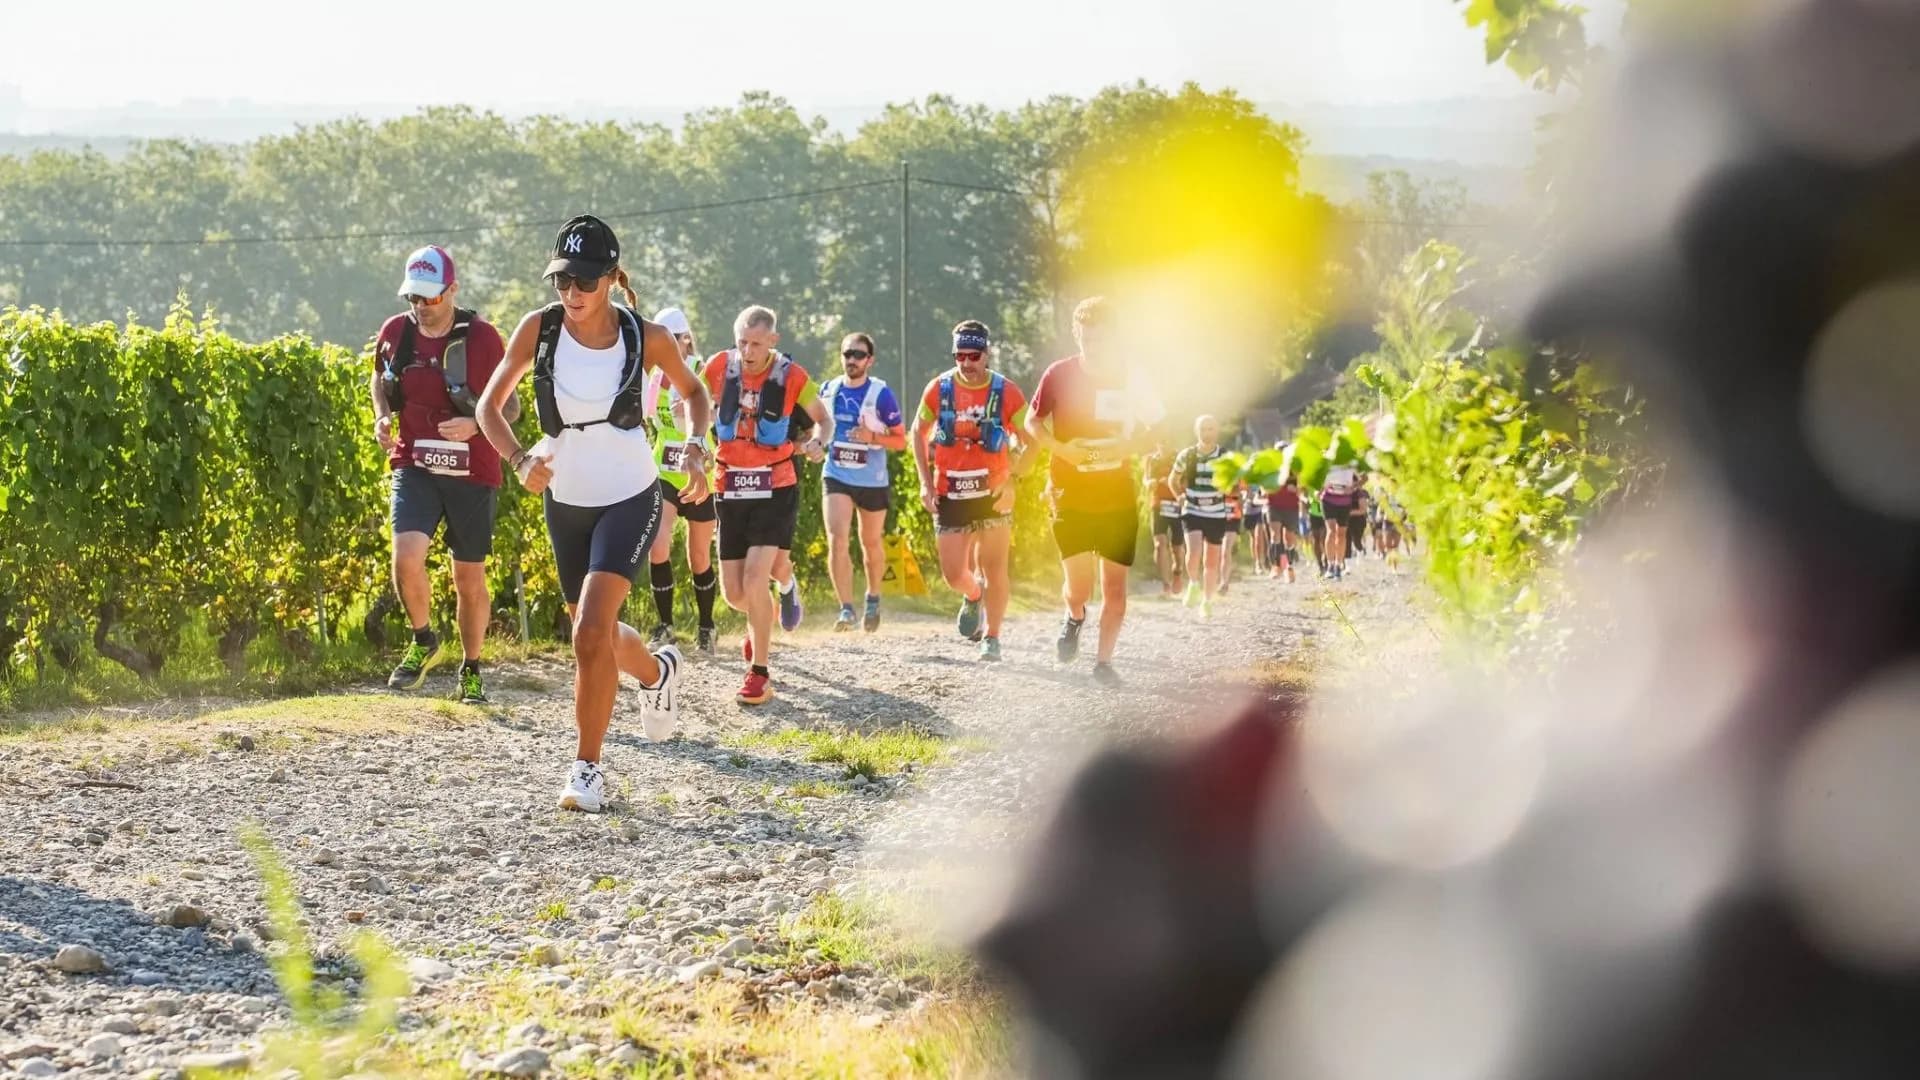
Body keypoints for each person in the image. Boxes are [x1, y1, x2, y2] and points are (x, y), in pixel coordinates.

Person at [476, 215, 708, 813]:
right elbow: (488, 407)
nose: (570, 294)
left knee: (586, 634)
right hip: (566, 500)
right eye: (561, 281)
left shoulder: (646, 336)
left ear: (609, 279)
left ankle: (588, 770)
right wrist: (520, 457)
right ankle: (657, 675)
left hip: (631, 494)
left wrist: (698, 441)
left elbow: (694, 394)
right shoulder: (539, 329)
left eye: (582, 282)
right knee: (596, 633)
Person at [370, 244, 508, 704]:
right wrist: (382, 416)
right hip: (415, 462)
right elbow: (380, 379)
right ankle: (424, 640)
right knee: (405, 556)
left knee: (467, 579)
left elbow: (511, 405)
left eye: (430, 298)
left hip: (473, 469)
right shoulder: (395, 332)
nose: (421, 308)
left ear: (452, 290)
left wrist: (474, 425)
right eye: (414, 298)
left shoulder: (484, 339)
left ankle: (471, 668)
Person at [1024, 297, 1162, 685]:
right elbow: (1033, 422)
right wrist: (1062, 449)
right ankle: (1075, 616)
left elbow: (1158, 427)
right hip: (1071, 492)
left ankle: (1103, 663)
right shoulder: (1059, 374)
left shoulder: (1132, 376)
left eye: (1101, 339)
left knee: (1115, 589)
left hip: (1117, 494)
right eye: (1087, 339)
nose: (1094, 346)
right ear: (1077, 335)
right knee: (1079, 587)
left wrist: (1127, 448)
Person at [701, 305, 829, 705]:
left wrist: (818, 443)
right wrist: (696, 442)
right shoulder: (720, 366)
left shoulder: (792, 377)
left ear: (773, 340)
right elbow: (695, 403)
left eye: (756, 343)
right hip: (730, 487)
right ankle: (768, 614)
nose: (748, 351)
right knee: (736, 596)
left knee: (758, 580)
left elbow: (823, 420)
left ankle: (759, 674)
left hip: (775, 487)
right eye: (742, 342)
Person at [911, 321, 1028, 661]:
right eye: (960, 355)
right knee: (952, 574)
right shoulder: (939, 388)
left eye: (973, 355)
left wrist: (1012, 481)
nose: (966, 363)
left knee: (995, 568)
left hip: (993, 494)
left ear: (986, 354)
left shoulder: (1006, 391)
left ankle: (992, 636)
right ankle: (973, 594)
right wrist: (924, 482)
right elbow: (918, 432)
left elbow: (1029, 440)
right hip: (951, 492)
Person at [642, 307, 720, 655]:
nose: (668, 345)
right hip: (664, 471)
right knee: (657, 546)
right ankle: (665, 625)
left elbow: (718, 410)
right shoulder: (652, 378)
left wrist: (697, 417)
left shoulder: (702, 373)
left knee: (699, 556)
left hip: (701, 473)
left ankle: (706, 625)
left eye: (675, 338)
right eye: (663, 339)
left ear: (686, 339)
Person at [820, 332, 907, 632]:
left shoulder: (881, 394)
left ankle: (873, 597)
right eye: (847, 354)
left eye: (858, 355)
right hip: (837, 474)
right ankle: (846, 608)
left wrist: (873, 437)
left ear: (870, 360)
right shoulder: (828, 390)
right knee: (837, 538)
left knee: (870, 543)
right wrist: (812, 443)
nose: (852, 360)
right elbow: (814, 426)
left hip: (872, 480)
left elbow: (900, 441)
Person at [1172, 416, 1232, 620]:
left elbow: (1233, 482)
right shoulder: (1187, 455)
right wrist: (1179, 496)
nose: (1207, 433)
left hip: (1216, 512)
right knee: (1194, 551)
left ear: (1217, 431)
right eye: (1203, 429)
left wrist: (1230, 487)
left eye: (1211, 429)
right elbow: (1174, 479)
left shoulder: (1225, 456)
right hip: (1192, 509)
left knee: (1211, 561)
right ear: (1197, 431)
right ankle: (1193, 583)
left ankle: (1206, 601)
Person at [1142, 442, 1188, 597]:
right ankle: (1166, 584)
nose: (1162, 444)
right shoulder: (1151, 459)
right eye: (1160, 440)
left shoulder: (1180, 457)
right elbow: (1146, 479)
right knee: (1159, 544)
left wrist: (1172, 482)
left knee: (1177, 547)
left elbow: (1187, 480)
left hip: (1177, 505)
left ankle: (1177, 572)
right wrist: (1150, 483)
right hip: (1158, 505)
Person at [1320, 462, 1357, 580]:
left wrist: (1353, 487)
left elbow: (1363, 477)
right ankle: (1330, 565)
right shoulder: (1327, 459)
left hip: (1345, 501)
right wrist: (1321, 487)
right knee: (1331, 531)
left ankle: (1338, 565)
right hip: (1328, 499)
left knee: (1341, 534)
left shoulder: (1351, 462)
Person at [1267, 471, 1302, 583]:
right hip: (1274, 505)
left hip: (1291, 506)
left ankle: (1289, 567)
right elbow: (1264, 487)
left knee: (1289, 539)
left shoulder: (1295, 468)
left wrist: (1296, 488)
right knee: (1275, 535)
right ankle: (1276, 566)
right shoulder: (1271, 467)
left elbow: (1302, 487)